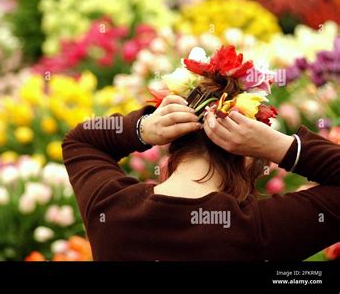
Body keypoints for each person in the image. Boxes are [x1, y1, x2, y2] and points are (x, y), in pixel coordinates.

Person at [62, 95, 340, 261]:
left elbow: (80, 141)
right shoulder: (255, 229)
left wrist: (142, 128)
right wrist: (279, 146)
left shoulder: (110, 209)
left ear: (172, 142)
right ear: (245, 154)